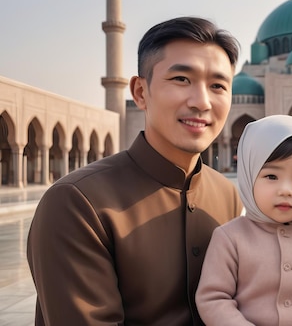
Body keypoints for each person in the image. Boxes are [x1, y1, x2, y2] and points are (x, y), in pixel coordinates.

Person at [27, 16, 243, 325]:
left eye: (218, 85)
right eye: (181, 79)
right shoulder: (77, 204)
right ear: (140, 92)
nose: (202, 102)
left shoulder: (227, 195)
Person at [195, 114, 292, 326]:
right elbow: (213, 299)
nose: (286, 190)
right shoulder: (230, 238)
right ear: (250, 175)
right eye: (271, 176)